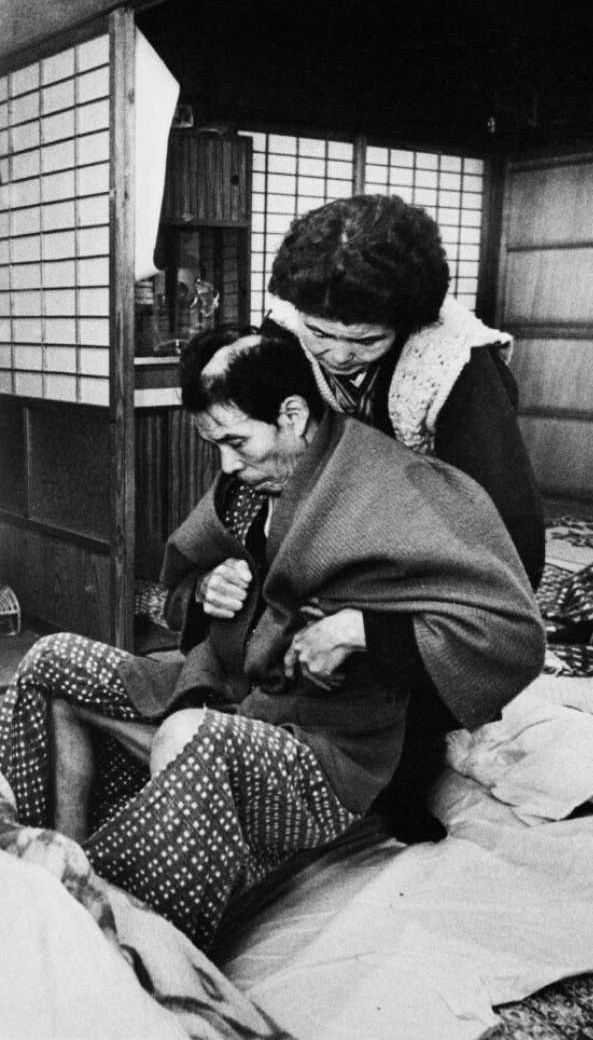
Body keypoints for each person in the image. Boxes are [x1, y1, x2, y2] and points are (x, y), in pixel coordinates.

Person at [0, 328, 544, 951]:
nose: (227, 464)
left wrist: (361, 629)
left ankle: (122, 941)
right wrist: (206, 590)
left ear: (291, 415)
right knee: (50, 660)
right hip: (225, 687)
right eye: (216, 445)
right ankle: (54, 867)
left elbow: (511, 634)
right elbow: (177, 586)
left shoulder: (399, 487)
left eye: (236, 441)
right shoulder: (245, 484)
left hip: (323, 740)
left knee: (188, 735)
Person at [264, 193, 546, 590]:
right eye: (320, 333)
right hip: (327, 513)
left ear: (407, 323)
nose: (339, 356)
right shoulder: (288, 323)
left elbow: (504, 513)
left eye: (366, 341)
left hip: (431, 528)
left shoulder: (455, 362)